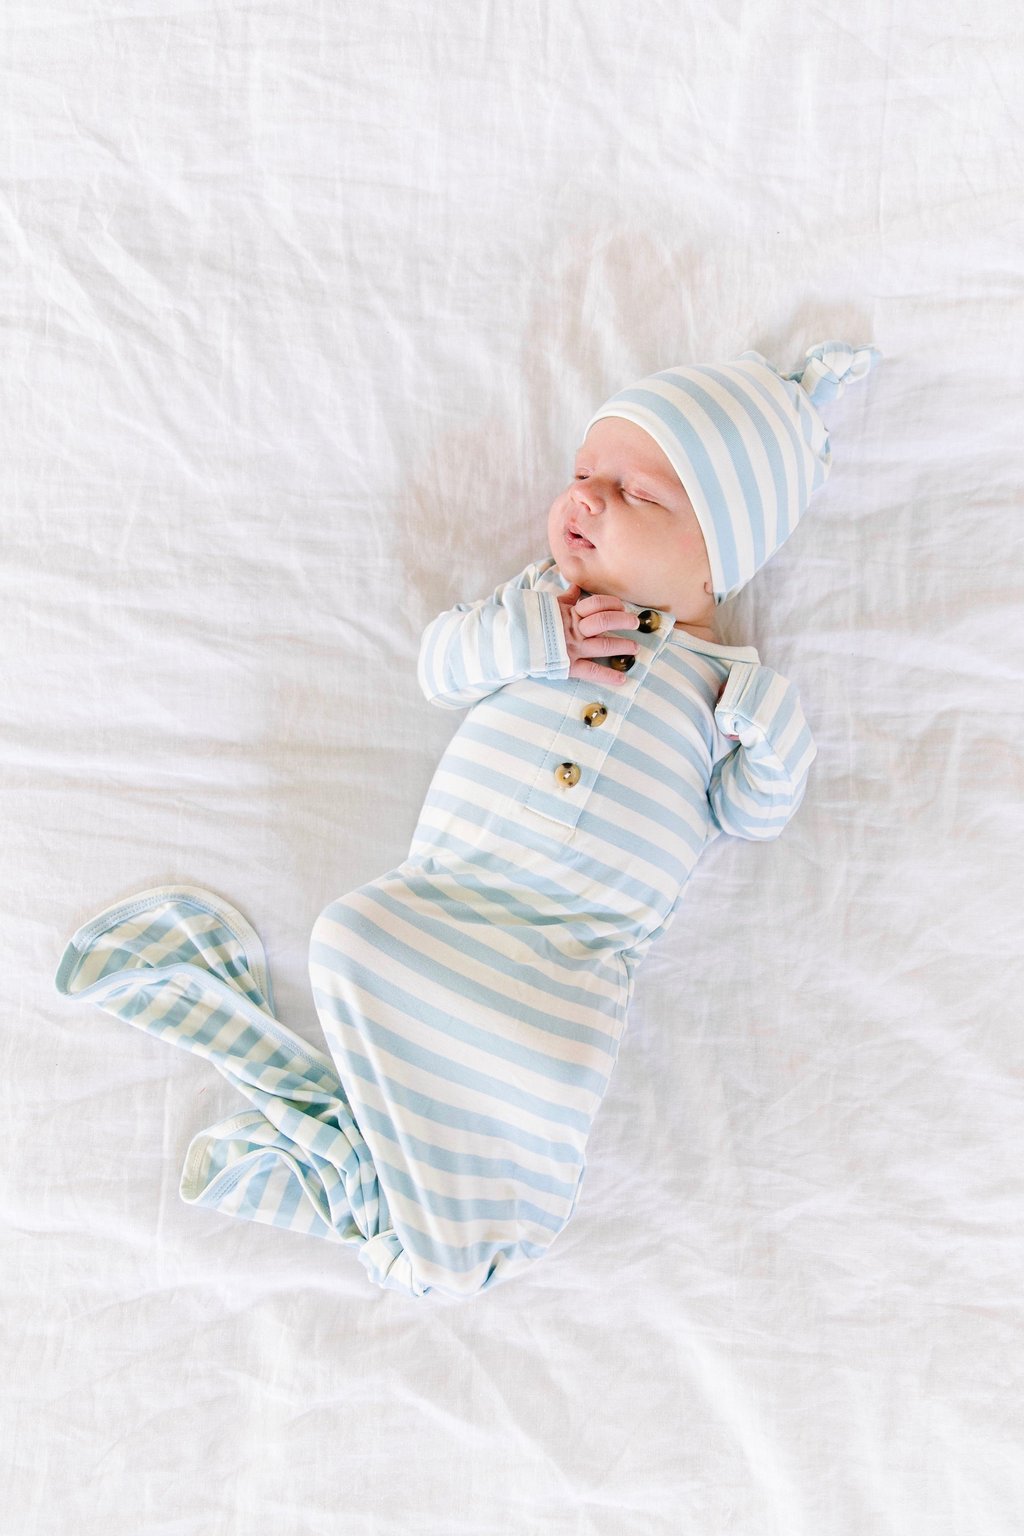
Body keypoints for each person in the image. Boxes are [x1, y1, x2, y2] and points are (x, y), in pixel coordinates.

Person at [54, 338, 880, 1302]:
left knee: (545, 1072)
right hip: (452, 901)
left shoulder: (727, 692)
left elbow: (748, 814)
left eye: (634, 492)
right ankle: (401, 1194)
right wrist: (537, 637)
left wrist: (775, 740)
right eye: (583, 474)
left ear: (718, 558)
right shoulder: (542, 606)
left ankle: (453, 1211)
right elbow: (441, 668)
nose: (584, 500)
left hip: (571, 960)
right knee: (352, 936)